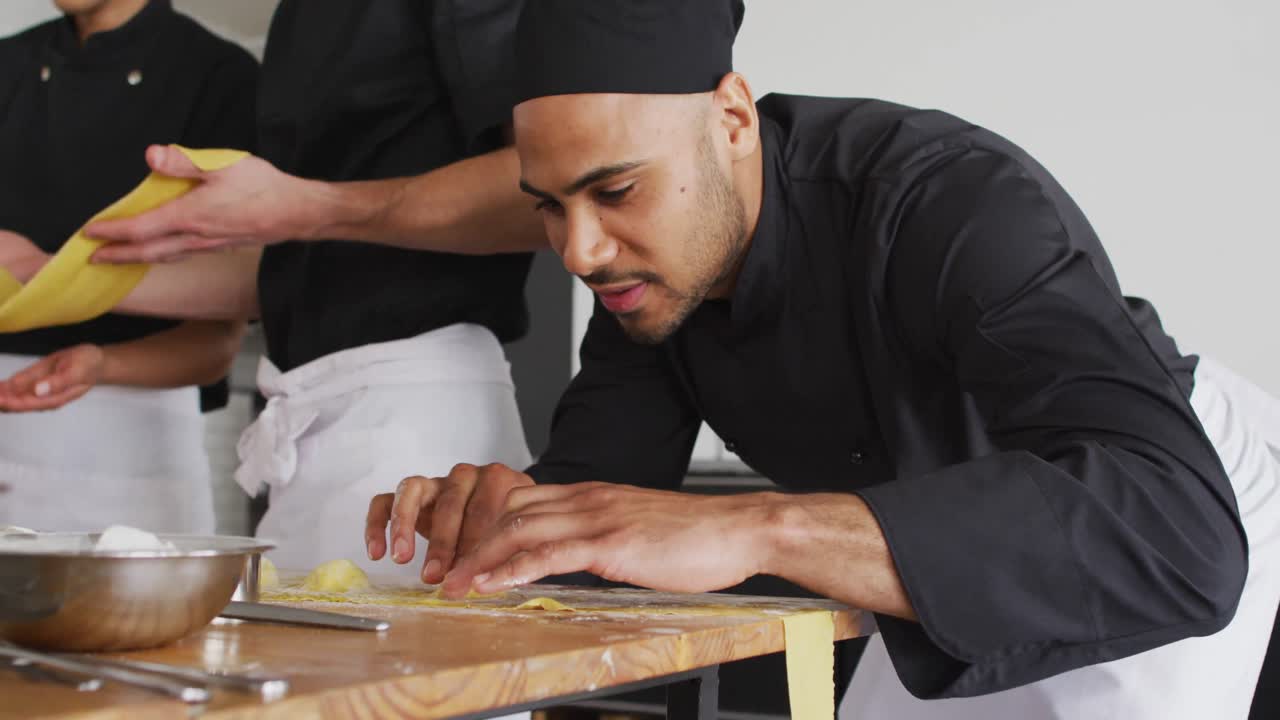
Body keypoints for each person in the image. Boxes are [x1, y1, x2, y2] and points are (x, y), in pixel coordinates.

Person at [361, 1, 1280, 719]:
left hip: (1164, 500)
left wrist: (759, 527)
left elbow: (1176, 533)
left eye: (615, 191)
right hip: (955, 545)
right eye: (549, 207)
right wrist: (504, 516)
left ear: (730, 118)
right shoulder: (648, 283)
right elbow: (596, 511)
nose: (581, 251)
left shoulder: (950, 200)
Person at [0, 0, 547, 576]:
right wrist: (45, 272)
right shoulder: (299, 18)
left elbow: (549, 189)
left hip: (415, 430)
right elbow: (274, 274)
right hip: (302, 431)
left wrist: (310, 209)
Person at [0, 0, 254, 533]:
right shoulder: (8, 65)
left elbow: (217, 341)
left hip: (133, 458)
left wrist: (98, 359)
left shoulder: (218, 78)